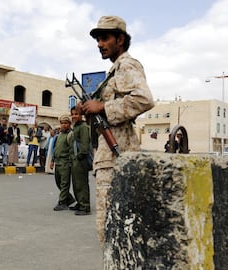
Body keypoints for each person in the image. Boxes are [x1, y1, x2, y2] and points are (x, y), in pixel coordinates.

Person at [79, 16, 154, 244]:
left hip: (117, 154)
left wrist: (102, 106)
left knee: (114, 227)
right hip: (108, 155)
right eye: (98, 40)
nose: (99, 44)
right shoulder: (114, 71)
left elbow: (144, 99)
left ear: (120, 39)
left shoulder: (127, 65)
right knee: (110, 225)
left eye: (104, 38)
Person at [50, 114, 75, 211]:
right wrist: (52, 161)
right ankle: (69, 199)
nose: (63, 125)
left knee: (65, 184)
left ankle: (62, 202)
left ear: (69, 124)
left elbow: (72, 150)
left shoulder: (71, 135)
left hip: (65, 163)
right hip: (58, 162)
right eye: (62, 123)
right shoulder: (59, 135)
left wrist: (70, 162)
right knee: (58, 183)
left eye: (66, 123)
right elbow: (56, 149)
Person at [70, 107, 91, 216]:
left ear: (81, 115)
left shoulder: (83, 127)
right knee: (76, 183)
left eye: (76, 114)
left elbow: (84, 144)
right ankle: (79, 203)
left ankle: (85, 206)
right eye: (72, 114)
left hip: (81, 159)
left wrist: (79, 156)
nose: (74, 116)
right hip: (75, 158)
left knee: (82, 183)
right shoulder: (76, 127)